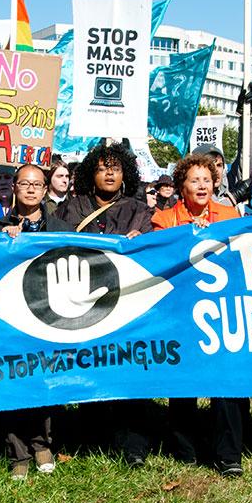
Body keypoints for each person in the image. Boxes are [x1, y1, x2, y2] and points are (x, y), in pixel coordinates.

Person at [0, 164, 71, 479]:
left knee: (45, 380)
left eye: (37, 184)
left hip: (49, 313)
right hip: (8, 315)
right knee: (14, 381)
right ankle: (18, 454)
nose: (31, 189)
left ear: (44, 188)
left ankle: (43, 444)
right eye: (24, 183)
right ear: (15, 187)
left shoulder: (60, 226)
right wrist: (2, 242)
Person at [54, 143, 153, 467]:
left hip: (127, 304)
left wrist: (144, 241)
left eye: (116, 167)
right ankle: (91, 437)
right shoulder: (72, 208)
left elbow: (154, 252)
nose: (109, 173)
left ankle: (133, 445)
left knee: (131, 371)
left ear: (126, 173)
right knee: (90, 366)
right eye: (102, 167)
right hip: (84, 301)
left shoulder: (138, 210)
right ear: (89, 174)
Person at [151, 153, 244, 476]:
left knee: (226, 385)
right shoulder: (164, 219)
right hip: (180, 312)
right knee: (183, 384)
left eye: (207, 179)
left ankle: (229, 456)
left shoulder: (230, 214)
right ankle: (185, 449)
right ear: (181, 187)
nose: (202, 185)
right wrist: (188, 236)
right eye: (194, 180)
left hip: (221, 311)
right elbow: (160, 257)